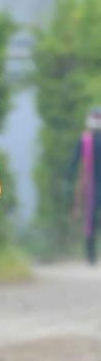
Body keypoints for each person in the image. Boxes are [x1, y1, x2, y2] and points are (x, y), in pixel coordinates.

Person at [72, 106, 101, 264]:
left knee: (91, 221)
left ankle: (91, 257)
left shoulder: (85, 140)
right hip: (92, 185)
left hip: (91, 185)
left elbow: (74, 162)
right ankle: (91, 256)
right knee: (91, 220)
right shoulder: (85, 140)